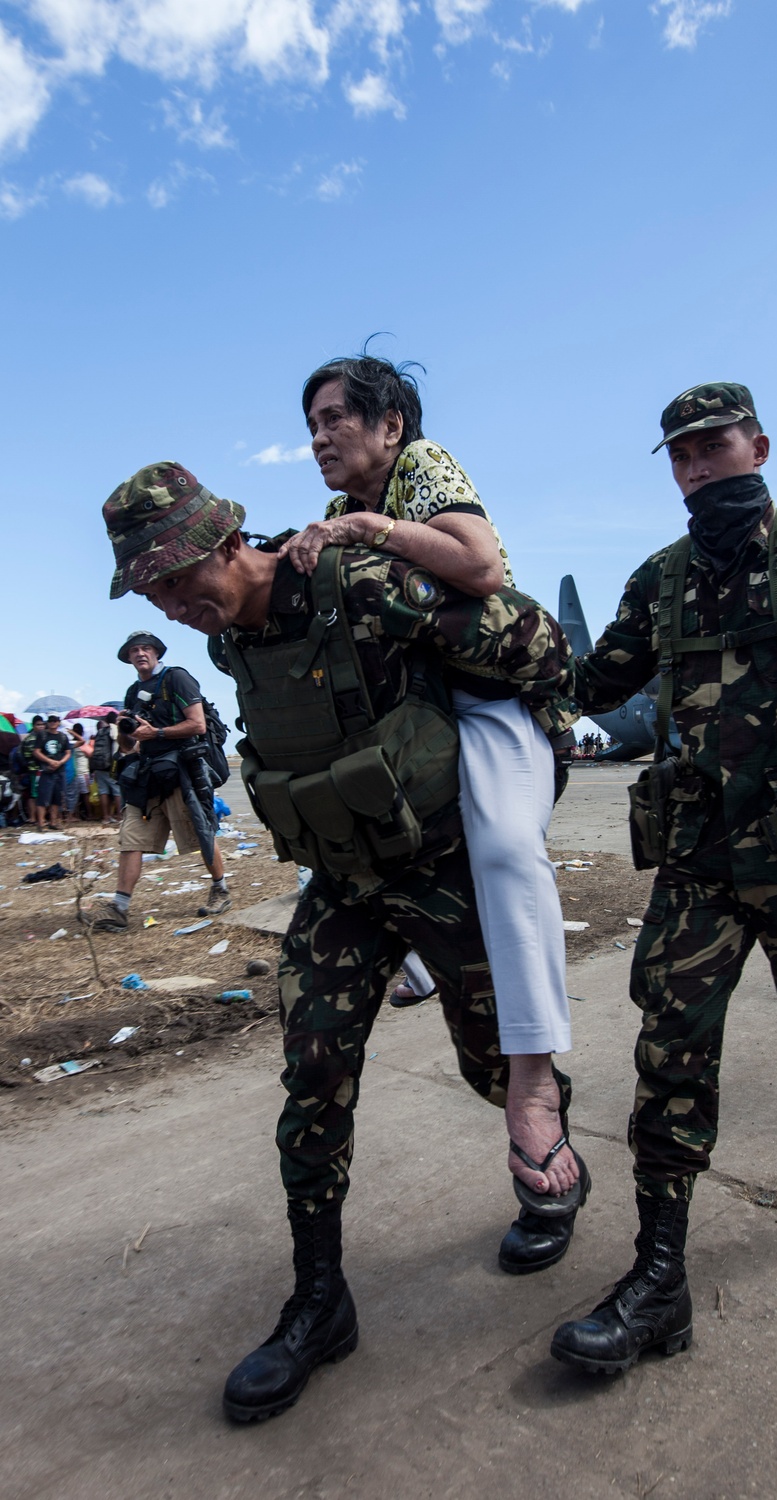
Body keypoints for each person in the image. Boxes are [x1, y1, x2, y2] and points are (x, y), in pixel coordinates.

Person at [99, 459, 588, 1422]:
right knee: (312, 1071)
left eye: (174, 576)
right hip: (347, 888)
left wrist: (530, 755)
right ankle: (319, 1303)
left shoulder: (355, 583)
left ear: (225, 545)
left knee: (497, 1063)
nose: (169, 601)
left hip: (444, 869)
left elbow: (535, 644)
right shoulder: (232, 639)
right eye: (149, 588)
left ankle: (547, 1171)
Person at [549, 381, 777, 1377]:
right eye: (680, 454)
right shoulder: (658, 581)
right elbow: (586, 683)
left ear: (756, 444)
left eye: (713, 445)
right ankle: (657, 1280)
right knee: (668, 1045)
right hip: (700, 859)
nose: (697, 465)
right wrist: (473, 627)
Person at [280, 353, 578, 1204]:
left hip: (489, 702)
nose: (320, 438)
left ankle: (531, 1079)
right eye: (311, 426)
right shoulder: (339, 509)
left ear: (391, 426)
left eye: (336, 418)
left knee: (509, 851)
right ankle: (411, 953)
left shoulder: (423, 469)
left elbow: (479, 567)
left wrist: (361, 533)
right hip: (411, 718)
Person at [79, 631, 229, 932]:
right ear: (128, 657)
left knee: (200, 833)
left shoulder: (176, 679)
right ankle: (120, 909)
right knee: (131, 839)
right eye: (134, 650)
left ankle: (220, 889)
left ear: (157, 652)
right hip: (148, 773)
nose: (140, 653)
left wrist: (157, 733)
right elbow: (127, 746)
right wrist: (124, 728)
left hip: (182, 771)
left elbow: (197, 724)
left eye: (146, 648)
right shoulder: (133, 691)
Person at [33, 714, 72, 828]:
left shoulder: (63, 736)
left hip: (60, 770)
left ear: (59, 722)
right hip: (46, 770)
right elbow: (36, 751)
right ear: (47, 723)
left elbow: (68, 752)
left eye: (55, 721)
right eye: (50, 721)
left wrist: (60, 762)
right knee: (43, 797)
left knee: (57, 797)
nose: (53, 723)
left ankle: (53, 822)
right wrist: (49, 761)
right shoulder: (43, 735)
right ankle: (41, 822)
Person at [90, 712, 121, 822]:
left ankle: (106, 817)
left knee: (103, 792)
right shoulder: (114, 730)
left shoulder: (100, 731)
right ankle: (119, 816)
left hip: (98, 766)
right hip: (110, 765)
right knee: (117, 791)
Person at [15, 715, 43, 822]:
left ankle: (37, 817)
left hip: (38, 770)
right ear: (34, 725)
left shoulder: (40, 737)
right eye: (38, 725)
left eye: (42, 724)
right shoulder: (32, 739)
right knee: (34, 794)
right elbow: (35, 755)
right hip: (34, 769)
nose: (41, 727)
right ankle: (33, 817)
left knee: (37, 793)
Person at [64, 722, 93, 820]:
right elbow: (91, 754)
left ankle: (76, 814)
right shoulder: (81, 745)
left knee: (75, 795)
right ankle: (89, 814)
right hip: (82, 772)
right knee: (85, 795)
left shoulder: (70, 744)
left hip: (74, 772)